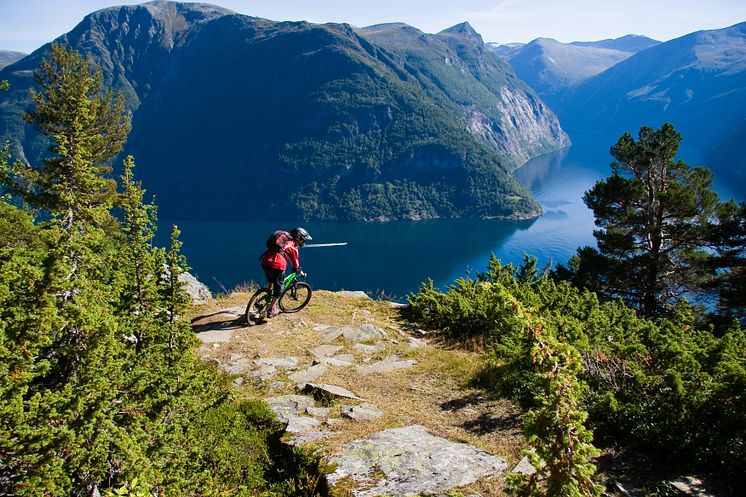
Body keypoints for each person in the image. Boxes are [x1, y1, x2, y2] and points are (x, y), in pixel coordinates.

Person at [259, 227, 312, 318]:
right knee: (279, 288)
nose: (303, 242)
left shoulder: (284, 236)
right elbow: (296, 265)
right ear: (299, 238)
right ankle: (271, 309)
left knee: (271, 280)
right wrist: (301, 273)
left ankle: (267, 296)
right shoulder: (293, 245)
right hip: (277, 265)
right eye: (303, 239)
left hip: (265, 260)